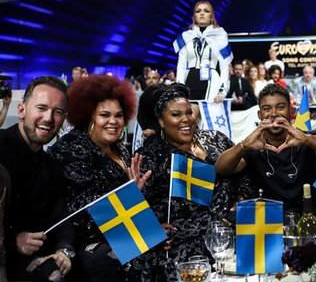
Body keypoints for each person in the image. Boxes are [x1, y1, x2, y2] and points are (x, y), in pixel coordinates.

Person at [125, 83, 244, 281]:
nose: (186, 119)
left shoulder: (216, 139)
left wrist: (240, 200)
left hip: (231, 236)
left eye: (189, 112)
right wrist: (154, 228)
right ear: (161, 121)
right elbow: (133, 216)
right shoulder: (151, 157)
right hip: (183, 250)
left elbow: (244, 172)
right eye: (176, 114)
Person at [48, 74, 151, 281]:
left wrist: (150, 226)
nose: (113, 121)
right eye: (104, 115)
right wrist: (132, 199)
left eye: (119, 115)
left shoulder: (121, 149)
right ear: (88, 115)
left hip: (122, 231)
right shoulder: (72, 148)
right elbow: (82, 212)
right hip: (86, 241)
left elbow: (130, 202)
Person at [214, 83, 316, 213]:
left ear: (291, 111)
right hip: (266, 221)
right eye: (267, 109)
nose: (274, 114)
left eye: (280, 107)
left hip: (305, 218)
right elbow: (221, 169)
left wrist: (307, 140)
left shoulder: (304, 139)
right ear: (259, 115)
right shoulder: (252, 144)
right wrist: (243, 146)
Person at [0, 76, 74, 281]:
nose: (49, 118)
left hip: (30, 261)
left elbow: (61, 217)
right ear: (22, 110)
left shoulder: (52, 167)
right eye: (41, 108)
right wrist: (13, 242)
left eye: (57, 112)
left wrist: (64, 251)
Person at [174, 1, 232, 103]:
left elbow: (224, 66)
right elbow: (181, 65)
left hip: (213, 82)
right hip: (190, 81)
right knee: (189, 116)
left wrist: (222, 91)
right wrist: (180, 89)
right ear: (194, 16)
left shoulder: (220, 36)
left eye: (206, 11)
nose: (202, 13)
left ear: (212, 16)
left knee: (208, 117)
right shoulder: (186, 36)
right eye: (198, 11)